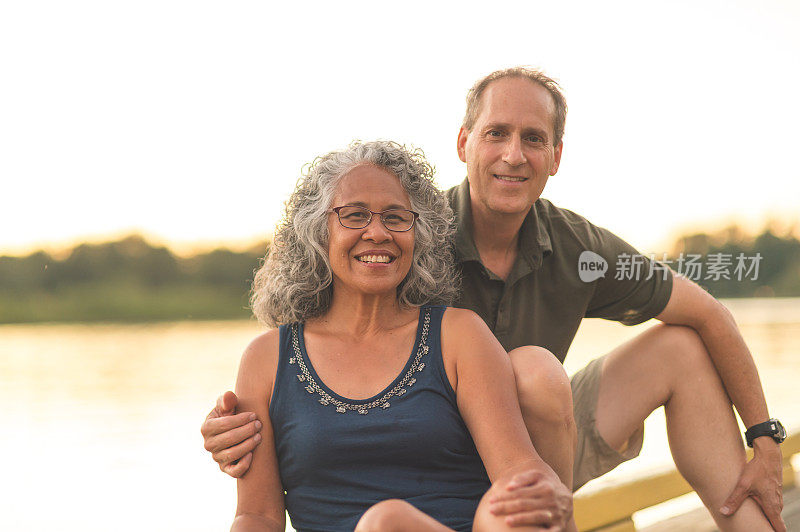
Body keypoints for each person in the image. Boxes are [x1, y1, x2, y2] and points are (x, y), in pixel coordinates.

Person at [204, 68, 786, 531]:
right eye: (496, 134)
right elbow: (310, 338)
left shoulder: (579, 246)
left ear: (556, 156)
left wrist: (763, 439)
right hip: (434, 445)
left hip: (528, 450)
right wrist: (236, 423)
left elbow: (711, 312)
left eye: (534, 139)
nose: (514, 155)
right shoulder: (408, 227)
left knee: (597, 361)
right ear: (464, 143)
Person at [227, 140, 574, 532]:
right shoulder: (265, 359)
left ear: (418, 234)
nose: (377, 232)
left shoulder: (458, 335)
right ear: (317, 232)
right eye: (354, 215)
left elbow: (516, 467)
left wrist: (545, 487)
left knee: (395, 522)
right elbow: (256, 514)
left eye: (395, 217)